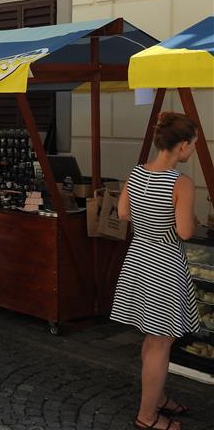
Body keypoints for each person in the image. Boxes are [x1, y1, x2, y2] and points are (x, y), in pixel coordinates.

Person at [110, 112, 199, 430]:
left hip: (139, 259)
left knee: (154, 338)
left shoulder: (137, 172)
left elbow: (123, 214)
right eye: (193, 146)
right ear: (184, 146)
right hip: (165, 264)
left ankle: (157, 398)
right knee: (161, 340)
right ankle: (147, 417)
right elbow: (186, 232)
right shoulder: (182, 183)